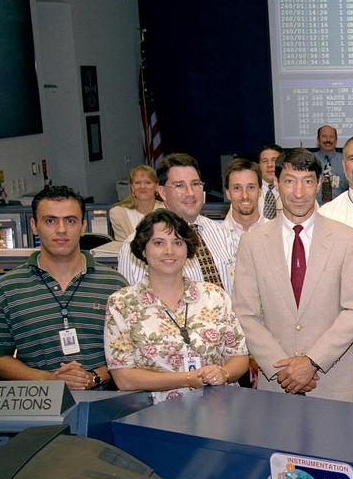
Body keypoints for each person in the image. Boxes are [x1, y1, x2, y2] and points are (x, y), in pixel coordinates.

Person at [232, 147, 353, 399]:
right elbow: (245, 313)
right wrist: (283, 367)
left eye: (307, 182)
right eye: (290, 181)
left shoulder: (346, 239)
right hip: (276, 382)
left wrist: (312, 362)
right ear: (276, 183)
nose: (298, 192)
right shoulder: (252, 242)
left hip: (333, 384)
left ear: (317, 186)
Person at [0, 184, 126, 390]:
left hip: (105, 405)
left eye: (70, 220)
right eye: (50, 221)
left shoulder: (114, 284)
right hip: (38, 406)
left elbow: (131, 353)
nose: (61, 230)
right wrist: (49, 381)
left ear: (83, 225)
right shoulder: (6, 288)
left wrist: (93, 377)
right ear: (34, 225)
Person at [105, 209, 249, 398]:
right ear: (143, 249)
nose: (169, 251)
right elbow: (124, 378)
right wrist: (187, 378)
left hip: (219, 409)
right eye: (158, 243)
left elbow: (239, 356)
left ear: (188, 249)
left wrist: (225, 373)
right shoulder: (121, 304)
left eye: (177, 242)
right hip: (154, 414)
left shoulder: (215, 296)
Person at [117, 152, 238, 292]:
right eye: (179, 185)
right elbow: (135, 305)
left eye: (195, 184)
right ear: (162, 192)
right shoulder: (140, 243)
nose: (190, 193)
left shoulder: (222, 233)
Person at [219, 156, 264, 247]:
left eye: (251, 187)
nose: (245, 195)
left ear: (260, 191)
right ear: (228, 193)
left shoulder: (277, 232)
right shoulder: (217, 236)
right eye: (237, 188)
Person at [109, 164, 158, 242]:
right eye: (137, 183)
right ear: (132, 187)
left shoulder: (168, 210)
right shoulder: (118, 213)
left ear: (156, 187)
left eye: (148, 182)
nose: (142, 186)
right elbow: (123, 249)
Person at [315, 124, 345, 203]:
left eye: (331, 137)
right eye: (324, 136)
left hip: (340, 207)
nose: (328, 139)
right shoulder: (309, 160)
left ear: (336, 140)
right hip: (315, 207)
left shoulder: (345, 160)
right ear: (318, 140)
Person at [256, 143, 282, 220]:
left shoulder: (294, 190)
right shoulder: (248, 191)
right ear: (259, 165)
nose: (270, 165)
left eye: (274, 160)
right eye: (264, 161)